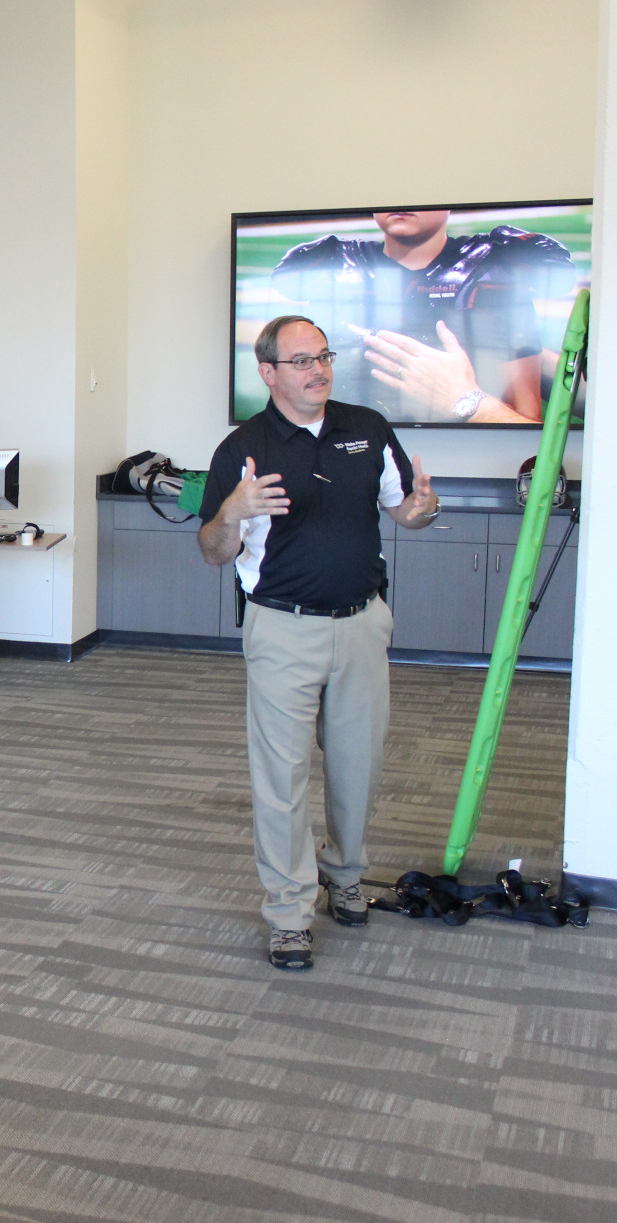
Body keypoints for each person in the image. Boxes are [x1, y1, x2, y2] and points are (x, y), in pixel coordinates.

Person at [198, 315, 439, 971]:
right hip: (282, 628)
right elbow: (214, 551)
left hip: (363, 624)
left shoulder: (366, 428)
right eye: (301, 361)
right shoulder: (242, 450)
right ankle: (287, 909)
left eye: (324, 357)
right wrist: (231, 512)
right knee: (282, 778)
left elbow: (405, 510)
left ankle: (345, 874)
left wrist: (424, 508)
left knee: (358, 767)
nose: (319, 370)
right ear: (269, 373)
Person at [269, 209, 578, 424]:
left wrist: (465, 399)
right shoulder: (336, 264)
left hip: (471, 446)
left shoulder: (496, 264)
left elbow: (526, 423)